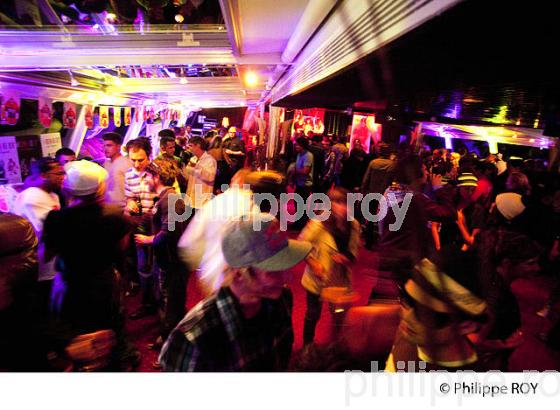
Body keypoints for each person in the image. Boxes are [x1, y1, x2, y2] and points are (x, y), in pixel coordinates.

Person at [159, 214, 312, 371]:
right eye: (273, 270)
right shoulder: (193, 338)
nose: (287, 277)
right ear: (238, 274)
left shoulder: (282, 300)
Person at [42, 160, 138, 371]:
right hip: (103, 283)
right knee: (108, 330)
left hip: (69, 285)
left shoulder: (56, 218)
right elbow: (121, 249)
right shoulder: (114, 216)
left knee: (73, 332)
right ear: (99, 189)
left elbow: (48, 254)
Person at [385, 251, 488, 371]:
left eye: (427, 314)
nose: (407, 316)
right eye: (407, 299)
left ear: (466, 326)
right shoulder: (411, 332)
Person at [134, 160, 188, 362]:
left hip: (174, 262)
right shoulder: (167, 197)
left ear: (156, 177)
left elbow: (170, 231)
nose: (143, 180)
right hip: (169, 260)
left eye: (146, 175)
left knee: (171, 304)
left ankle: (171, 354)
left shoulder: (171, 199)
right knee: (169, 302)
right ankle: (167, 339)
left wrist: (150, 239)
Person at [299, 187, 360, 345]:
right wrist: (313, 264)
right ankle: (307, 345)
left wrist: (346, 258)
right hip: (317, 278)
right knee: (313, 314)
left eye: (345, 203)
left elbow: (353, 252)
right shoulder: (318, 224)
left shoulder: (353, 225)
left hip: (339, 279)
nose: (342, 207)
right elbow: (300, 246)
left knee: (338, 315)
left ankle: (335, 345)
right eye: (337, 203)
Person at [13, 157, 64, 315]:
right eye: (58, 173)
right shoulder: (32, 198)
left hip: (50, 260)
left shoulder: (52, 195)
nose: (63, 177)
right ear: (44, 175)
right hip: (38, 263)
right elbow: (47, 231)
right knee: (43, 306)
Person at [124, 138, 158, 319]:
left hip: (158, 222)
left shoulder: (158, 173)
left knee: (160, 266)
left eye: (141, 159)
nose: (136, 164)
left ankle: (160, 303)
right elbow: (129, 197)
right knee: (143, 266)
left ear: (149, 156)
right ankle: (147, 304)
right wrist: (129, 204)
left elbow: (173, 201)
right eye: (133, 160)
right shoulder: (129, 175)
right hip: (141, 223)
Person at [184, 136, 217, 212]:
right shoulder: (193, 159)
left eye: (191, 146)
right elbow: (188, 175)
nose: (189, 148)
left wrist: (196, 168)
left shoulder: (210, 160)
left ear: (198, 145)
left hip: (201, 201)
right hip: (190, 198)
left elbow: (210, 177)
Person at [102, 132, 132, 209]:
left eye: (109, 145)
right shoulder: (106, 163)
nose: (105, 148)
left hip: (122, 208)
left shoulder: (126, 163)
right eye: (104, 146)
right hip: (107, 206)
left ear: (118, 147)